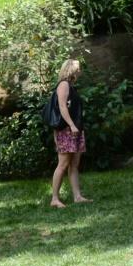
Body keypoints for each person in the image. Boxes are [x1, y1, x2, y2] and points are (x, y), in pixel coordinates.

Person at [49, 58, 90, 207]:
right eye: (78, 69)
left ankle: (77, 196)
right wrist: (72, 125)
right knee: (63, 164)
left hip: (75, 129)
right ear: (71, 70)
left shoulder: (71, 86)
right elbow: (62, 107)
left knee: (74, 164)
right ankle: (54, 199)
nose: (80, 71)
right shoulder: (64, 84)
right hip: (67, 130)